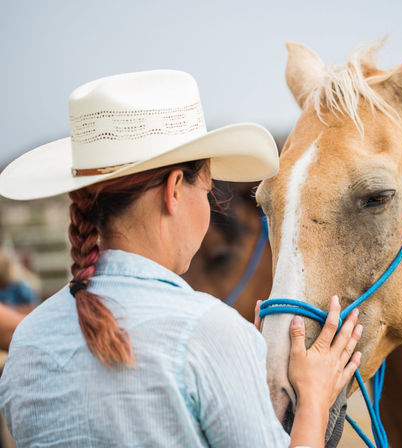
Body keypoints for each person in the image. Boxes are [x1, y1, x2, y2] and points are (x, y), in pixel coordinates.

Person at [0, 70, 362, 447]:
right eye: (206, 190)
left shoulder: (28, 342)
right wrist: (315, 402)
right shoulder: (211, 332)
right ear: (174, 190)